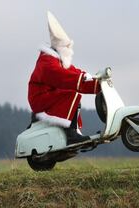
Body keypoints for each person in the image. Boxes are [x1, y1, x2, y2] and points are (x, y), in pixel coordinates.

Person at [28, 11, 101, 145]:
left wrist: (98, 84)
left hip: (48, 95)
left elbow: (74, 72)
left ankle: (75, 133)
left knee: (74, 93)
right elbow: (61, 76)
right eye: (67, 46)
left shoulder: (58, 60)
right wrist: (80, 78)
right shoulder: (47, 62)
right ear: (60, 47)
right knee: (72, 94)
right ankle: (70, 134)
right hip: (40, 98)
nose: (69, 49)